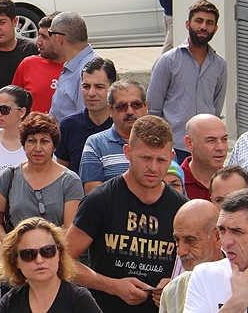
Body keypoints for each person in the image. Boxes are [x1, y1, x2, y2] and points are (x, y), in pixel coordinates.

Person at [66, 115, 188, 313]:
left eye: (161, 160)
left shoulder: (181, 208)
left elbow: (200, 268)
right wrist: (112, 286)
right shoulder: (101, 200)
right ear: (127, 152)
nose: (154, 168)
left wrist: (175, 284)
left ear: (172, 157)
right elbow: (64, 261)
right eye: (145, 158)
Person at [148, 0, 226, 164]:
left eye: (209, 23)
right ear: (187, 24)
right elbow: (153, 111)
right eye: (199, 21)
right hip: (175, 148)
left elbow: (216, 108)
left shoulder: (220, 65)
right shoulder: (168, 61)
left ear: (215, 28)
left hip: (206, 149)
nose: (203, 27)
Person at [0, 217, 101, 313]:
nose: (39, 260)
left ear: (59, 254)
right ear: (16, 261)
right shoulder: (10, 303)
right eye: (28, 254)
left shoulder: (79, 300)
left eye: (47, 251)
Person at [79, 79, 149, 194]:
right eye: (122, 106)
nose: (130, 111)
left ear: (146, 107)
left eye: (136, 105)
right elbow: (93, 198)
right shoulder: (96, 144)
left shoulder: (160, 142)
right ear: (110, 110)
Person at [184, 188, 248, 313]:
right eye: (222, 230)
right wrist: (234, 305)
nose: (225, 242)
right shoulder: (205, 275)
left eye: (236, 231)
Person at [159, 199, 226, 313]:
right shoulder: (173, 291)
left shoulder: (241, 282)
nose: (180, 251)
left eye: (190, 240)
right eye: (177, 240)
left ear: (217, 237)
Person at [55, 57, 116, 174]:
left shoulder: (123, 124)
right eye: (86, 86)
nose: (91, 93)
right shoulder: (68, 126)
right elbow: (61, 174)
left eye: (99, 87)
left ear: (112, 88)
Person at [48, 12, 99, 121]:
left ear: (59, 39)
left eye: (49, 33)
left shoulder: (89, 71)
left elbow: (87, 120)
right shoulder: (74, 64)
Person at [11, 12, 64, 113]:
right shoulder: (28, 64)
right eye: (39, 35)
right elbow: (13, 104)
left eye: (44, 37)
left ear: (59, 39)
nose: (38, 41)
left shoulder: (79, 68)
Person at [178, 114, 228, 201]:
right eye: (211, 140)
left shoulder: (233, 183)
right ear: (189, 143)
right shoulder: (175, 183)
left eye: (224, 139)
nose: (220, 147)